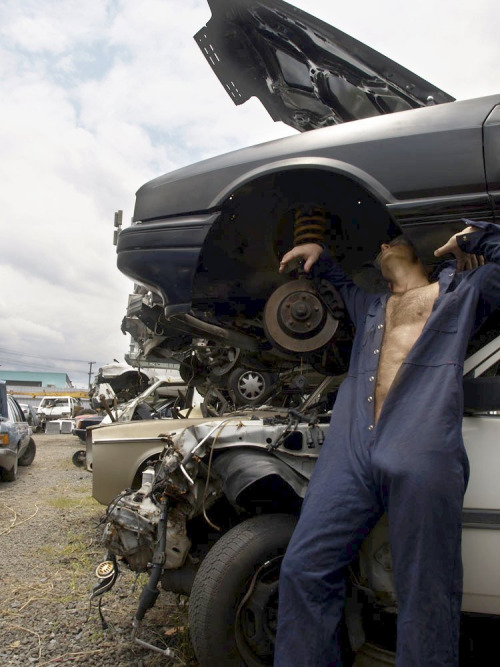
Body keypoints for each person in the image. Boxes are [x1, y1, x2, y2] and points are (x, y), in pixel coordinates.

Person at [274, 220, 500, 667]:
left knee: (426, 590)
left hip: (422, 442)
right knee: (303, 568)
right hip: (352, 449)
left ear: (417, 249)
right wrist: (319, 252)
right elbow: (336, 280)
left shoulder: (462, 292)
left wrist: (474, 237)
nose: (382, 244)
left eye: (391, 239)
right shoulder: (372, 305)